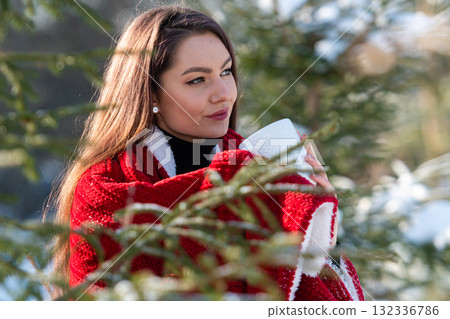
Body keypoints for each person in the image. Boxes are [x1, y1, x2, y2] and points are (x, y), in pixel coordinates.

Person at [49, 6, 364, 300]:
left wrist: (315, 232)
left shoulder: (255, 163)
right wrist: (239, 179)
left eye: (226, 72)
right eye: (197, 79)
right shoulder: (103, 189)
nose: (224, 93)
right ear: (150, 92)